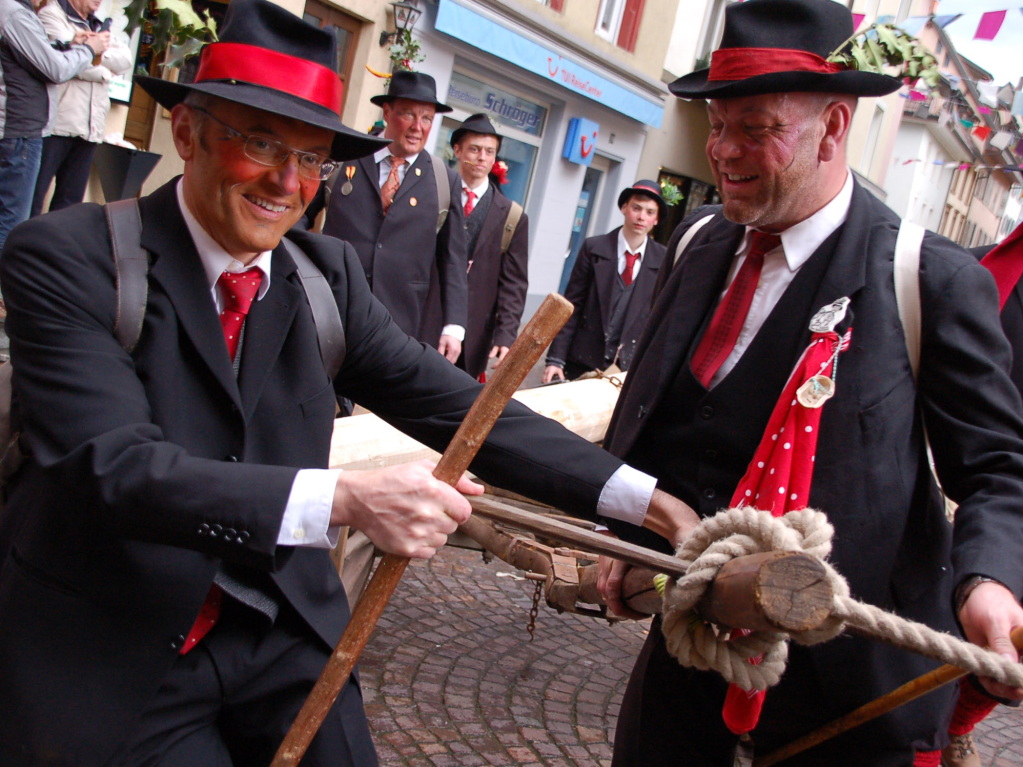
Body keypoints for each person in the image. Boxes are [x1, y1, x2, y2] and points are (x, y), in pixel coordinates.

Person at [0, 1, 698, 764]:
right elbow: (116, 469)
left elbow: (460, 408)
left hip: (282, 634)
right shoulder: (67, 256)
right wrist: (346, 499)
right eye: (261, 143)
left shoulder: (323, 276)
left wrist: (651, 503)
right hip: (121, 645)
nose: (287, 181)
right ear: (188, 131)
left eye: (312, 158)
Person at [595, 1, 1023, 765]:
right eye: (714, 124)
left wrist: (987, 584)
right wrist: (626, 535)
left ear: (832, 127)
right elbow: (654, 412)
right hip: (686, 660)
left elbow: (994, 469)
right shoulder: (696, 240)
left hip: (849, 696)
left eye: (755, 129)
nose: (721, 151)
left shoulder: (925, 278)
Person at [307, 70, 468, 363]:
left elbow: (453, 258)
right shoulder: (344, 157)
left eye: (427, 118)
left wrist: (454, 325)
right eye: (407, 114)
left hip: (398, 321)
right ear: (387, 111)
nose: (417, 127)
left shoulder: (444, 180)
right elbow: (301, 215)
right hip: (330, 304)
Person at [0, 0, 107, 252]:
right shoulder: (13, 12)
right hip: (19, 133)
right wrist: (89, 50)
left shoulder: (20, 12)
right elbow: (55, 69)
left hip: (21, 132)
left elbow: (38, 56)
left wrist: (69, 46)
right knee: (11, 222)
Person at [543, 180, 666, 382]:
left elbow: (659, 321)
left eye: (650, 212)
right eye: (636, 208)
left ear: (657, 219)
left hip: (626, 369)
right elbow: (572, 305)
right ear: (624, 208)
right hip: (582, 361)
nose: (642, 217)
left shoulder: (663, 260)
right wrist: (556, 359)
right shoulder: (594, 248)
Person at [30, 0, 133, 216]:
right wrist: (104, 71)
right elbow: (58, 62)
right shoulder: (53, 15)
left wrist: (94, 53)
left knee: (69, 208)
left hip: (90, 129)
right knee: (33, 197)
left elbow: (125, 61)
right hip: (56, 124)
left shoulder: (100, 25)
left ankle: (54, 250)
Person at [449, 112, 529, 380]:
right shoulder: (433, 192)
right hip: (426, 320)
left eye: (489, 151)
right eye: (474, 149)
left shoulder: (512, 216)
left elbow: (514, 283)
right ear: (457, 150)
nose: (482, 157)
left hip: (475, 333)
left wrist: (506, 334)